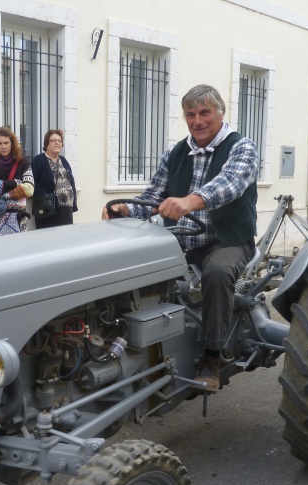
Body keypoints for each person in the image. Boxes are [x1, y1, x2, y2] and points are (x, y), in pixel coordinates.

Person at [102, 84, 258, 390]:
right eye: (191, 114)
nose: (198, 120)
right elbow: (152, 196)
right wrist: (124, 207)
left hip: (227, 240)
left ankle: (212, 357)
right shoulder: (175, 154)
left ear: (220, 113)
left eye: (205, 113)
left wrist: (190, 200)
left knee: (217, 272)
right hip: (183, 240)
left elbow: (231, 183)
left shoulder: (241, 147)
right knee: (136, 265)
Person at [0, 127, 34, 238]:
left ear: (12, 143)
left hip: (17, 218)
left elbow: (29, 189)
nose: (3, 147)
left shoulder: (23, 163)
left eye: (6, 143)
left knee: (17, 252)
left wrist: (3, 195)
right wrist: (16, 183)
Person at [30, 129, 78, 228]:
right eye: (54, 140)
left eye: (60, 141)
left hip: (66, 209)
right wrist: (47, 198)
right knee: (49, 239)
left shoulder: (63, 160)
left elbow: (71, 181)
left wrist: (74, 202)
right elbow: (32, 182)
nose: (57, 143)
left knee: (65, 238)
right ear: (47, 143)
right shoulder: (39, 160)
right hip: (48, 210)